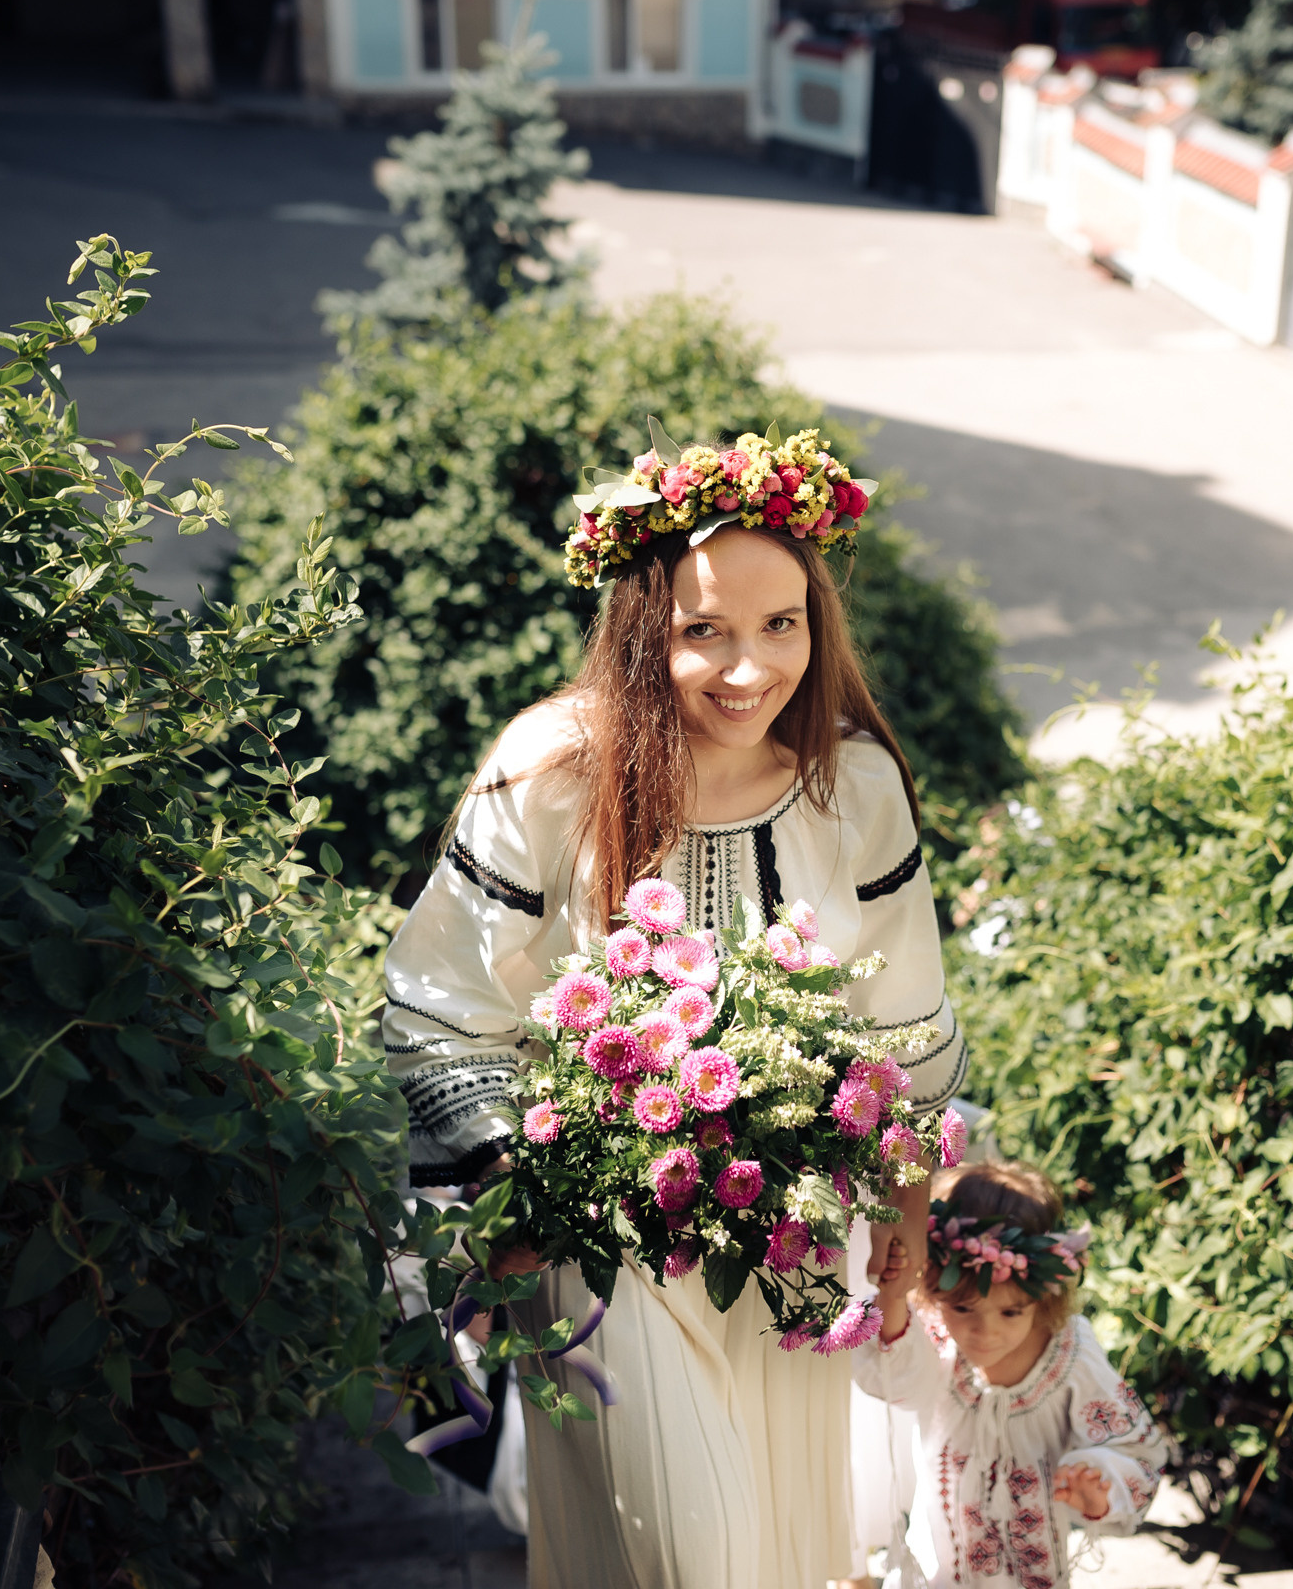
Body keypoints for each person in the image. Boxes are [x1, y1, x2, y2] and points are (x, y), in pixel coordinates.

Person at [378, 428, 966, 1589]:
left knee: (782, 1550)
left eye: (781, 625)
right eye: (707, 631)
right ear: (649, 627)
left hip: (790, 1241)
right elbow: (436, 1003)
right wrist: (512, 1181)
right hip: (601, 1247)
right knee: (686, 1555)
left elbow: (903, 1014)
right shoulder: (553, 772)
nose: (750, 668)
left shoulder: (854, 784)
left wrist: (909, 1201)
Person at [856, 1162, 1171, 1589]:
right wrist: (894, 1297)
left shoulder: (1067, 1351)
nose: (986, 1332)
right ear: (934, 1286)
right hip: (939, 1571)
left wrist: (1098, 1484)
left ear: (1042, 1296)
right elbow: (897, 1383)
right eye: (963, 1308)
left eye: (1011, 1311)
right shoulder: (932, 1332)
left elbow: (1139, 1449)